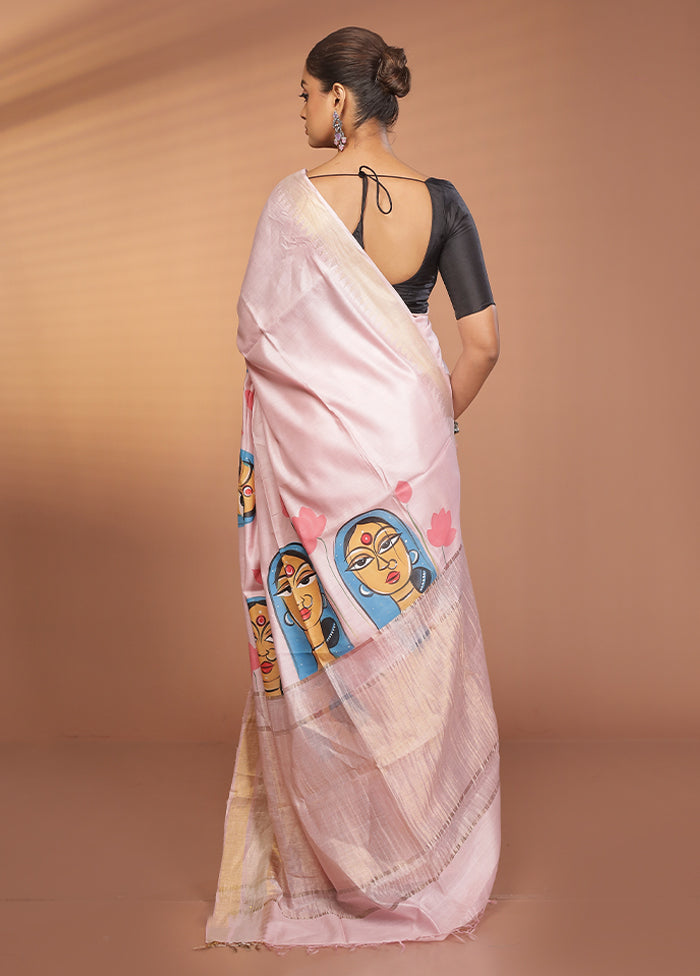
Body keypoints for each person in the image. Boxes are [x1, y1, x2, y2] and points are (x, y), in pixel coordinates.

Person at [202, 26, 501, 952]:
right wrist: (427, 426)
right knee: (414, 644)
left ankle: (347, 862)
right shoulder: (442, 201)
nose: (299, 109)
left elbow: (261, 338)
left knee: (333, 636)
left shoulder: (293, 205)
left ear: (339, 98)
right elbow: (484, 346)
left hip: (319, 460)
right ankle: (428, 858)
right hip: (415, 447)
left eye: (304, 92)